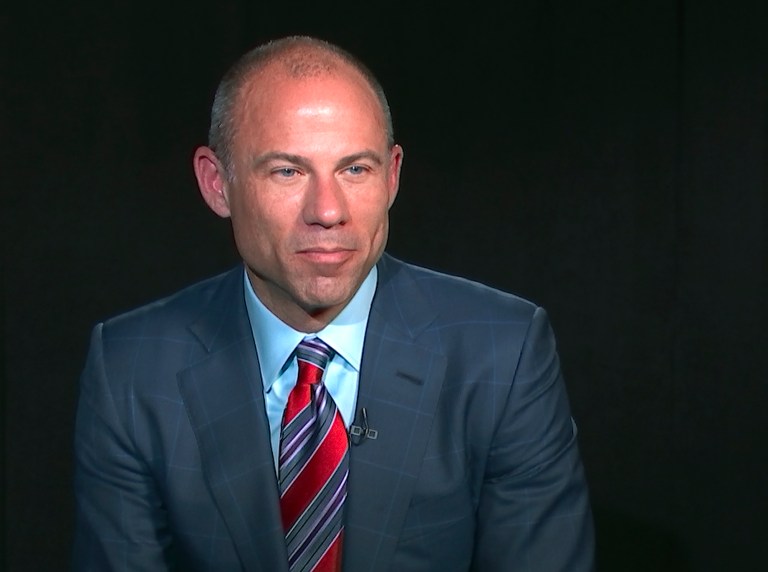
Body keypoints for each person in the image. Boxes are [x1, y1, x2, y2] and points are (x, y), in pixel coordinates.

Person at [73, 35, 595, 571]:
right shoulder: (131, 367)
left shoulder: (502, 352)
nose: (327, 211)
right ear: (217, 184)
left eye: (355, 170)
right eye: (287, 171)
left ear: (392, 176)